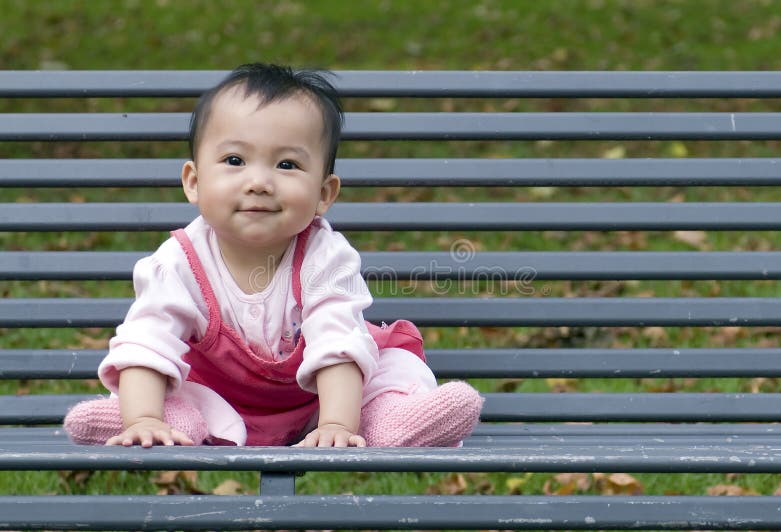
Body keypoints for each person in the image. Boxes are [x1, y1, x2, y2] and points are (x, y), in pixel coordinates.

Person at [63, 63, 483, 448]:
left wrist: (337, 425)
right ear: (193, 181)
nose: (259, 181)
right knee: (172, 382)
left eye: (286, 165)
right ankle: (155, 422)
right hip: (224, 399)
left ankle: (389, 420)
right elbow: (147, 342)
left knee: (388, 366)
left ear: (323, 194)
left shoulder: (326, 256)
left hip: (323, 401)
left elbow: (338, 342)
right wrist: (143, 415)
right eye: (234, 160)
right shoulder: (178, 262)